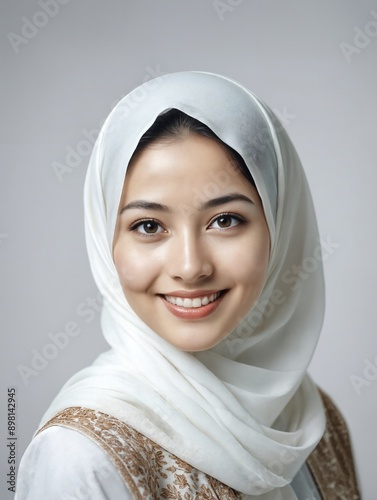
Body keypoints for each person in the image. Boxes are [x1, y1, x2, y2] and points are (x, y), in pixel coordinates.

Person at [15, 72, 360, 499]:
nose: (190, 266)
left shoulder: (308, 421)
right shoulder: (79, 457)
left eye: (225, 220)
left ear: (280, 226)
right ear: (107, 241)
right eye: (148, 226)